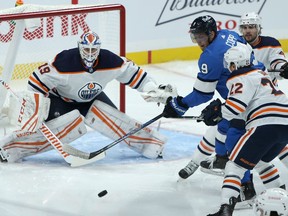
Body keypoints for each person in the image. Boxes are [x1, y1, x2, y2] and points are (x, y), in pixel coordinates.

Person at [0, 31, 176, 163]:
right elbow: (37, 78)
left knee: (117, 121)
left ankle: (153, 145)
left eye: (94, 49)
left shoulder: (110, 61)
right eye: (86, 49)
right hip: (61, 100)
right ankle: (8, 148)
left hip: (92, 98)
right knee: (60, 130)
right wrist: (35, 103)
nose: (90, 53)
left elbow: (134, 73)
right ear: (80, 47)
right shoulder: (65, 61)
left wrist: (151, 88)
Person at [197, 12, 288, 206]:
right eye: (245, 27)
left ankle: (243, 188)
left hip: (261, 106)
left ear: (258, 28)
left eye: (251, 27)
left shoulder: (268, 44)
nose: (248, 31)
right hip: (272, 106)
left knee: (240, 150)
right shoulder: (239, 46)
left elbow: (277, 61)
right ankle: (276, 190)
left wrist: (220, 110)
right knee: (261, 154)